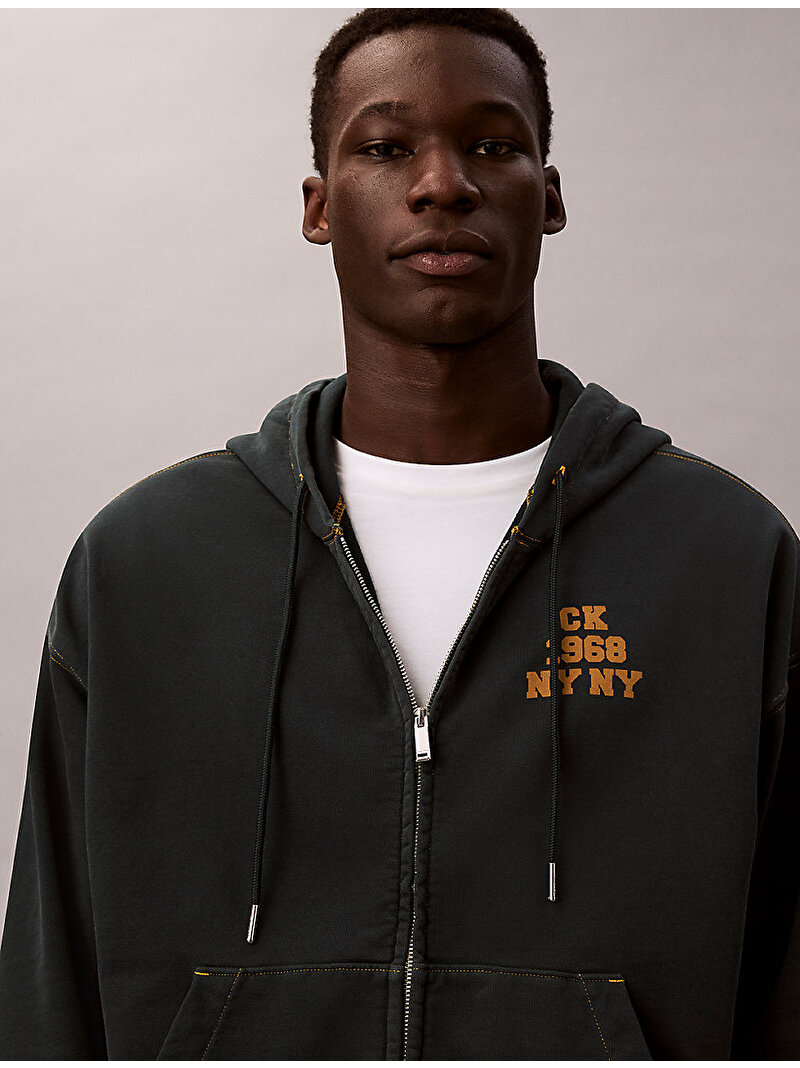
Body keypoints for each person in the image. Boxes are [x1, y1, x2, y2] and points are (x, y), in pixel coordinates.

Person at [0, 7, 797, 1060]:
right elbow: (48, 998)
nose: (441, 185)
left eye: (492, 146)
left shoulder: (725, 561)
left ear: (549, 196)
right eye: (384, 148)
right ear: (320, 206)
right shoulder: (145, 566)